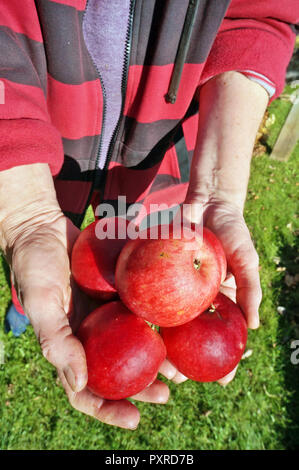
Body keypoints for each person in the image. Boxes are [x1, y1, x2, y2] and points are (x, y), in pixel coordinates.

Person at [0, 0, 298, 430]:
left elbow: (258, 15)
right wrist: (24, 217)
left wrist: (217, 186)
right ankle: (20, 309)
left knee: (70, 264)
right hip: (45, 150)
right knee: (52, 265)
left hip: (165, 180)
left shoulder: (182, 244)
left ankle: (24, 305)